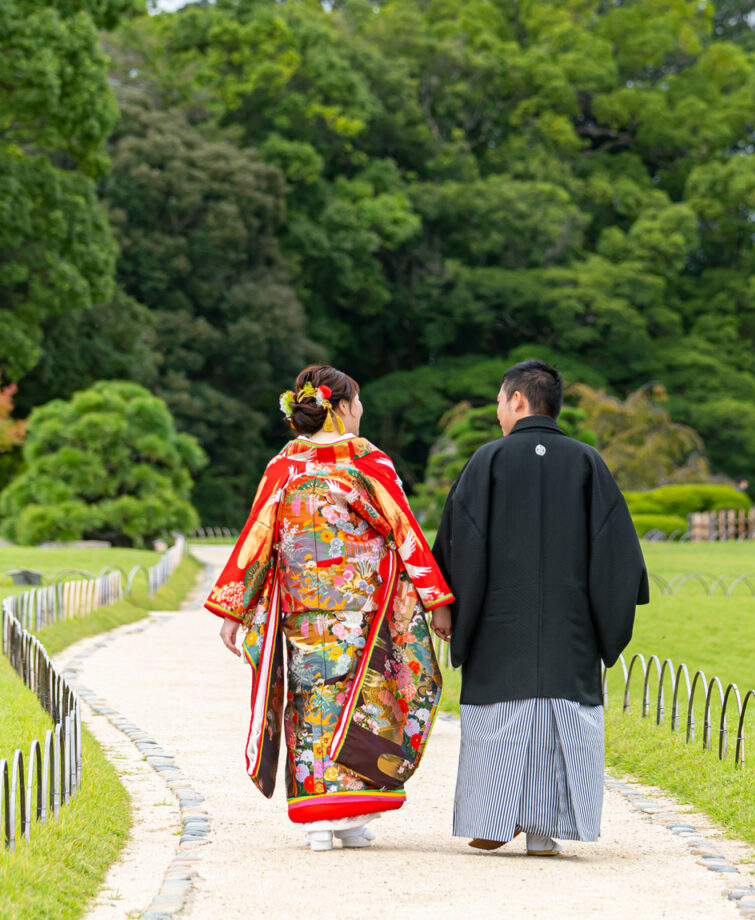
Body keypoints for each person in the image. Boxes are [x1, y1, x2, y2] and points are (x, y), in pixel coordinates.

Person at [205, 364, 454, 852]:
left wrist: (236, 609)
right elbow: (405, 531)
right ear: (340, 408)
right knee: (363, 703)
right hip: (361, 611)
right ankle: (347, 811)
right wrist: (435, 599)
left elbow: (258, 536)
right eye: (356, 402)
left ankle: (324, 818)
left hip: (302, 614)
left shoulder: (286, 465)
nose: (360, 410)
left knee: (310, 705)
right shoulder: (366, 460)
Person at [433, 359, 648, 857]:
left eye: (500, 403)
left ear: (518, 400)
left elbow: (459, 543)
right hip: (569, 627)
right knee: (560, 721)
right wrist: (605, 621)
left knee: (500, 719)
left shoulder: (486, 460)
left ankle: (493, 816)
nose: (498, 414)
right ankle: (545, 830)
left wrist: (449, 608)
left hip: (498, 622)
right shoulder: (588, 462)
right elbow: (616, 554)